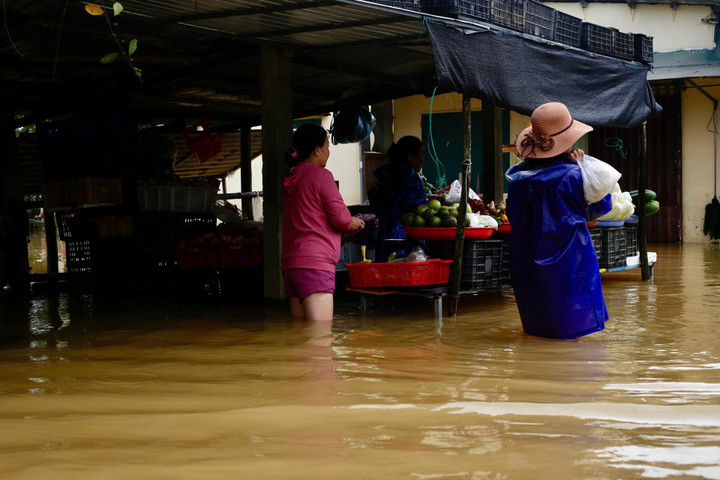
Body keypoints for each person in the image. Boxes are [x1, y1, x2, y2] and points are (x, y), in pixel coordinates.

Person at [505, 102, 614, 339]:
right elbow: (602, 206)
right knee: (572, 332)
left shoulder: (517, 181)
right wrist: (583, 168)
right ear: (567, 142)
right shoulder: (574, 175)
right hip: (569, 263)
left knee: (538, 329)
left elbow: (511, 214)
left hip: (526, 262)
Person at [282, 124, 365, 321]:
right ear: (317, 150)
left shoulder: (290, 178)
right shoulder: (321, 176)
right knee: (320, 334)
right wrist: (352, 221)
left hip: (292, 264)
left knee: (300, 332)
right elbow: (341, 219)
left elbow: (311, 217)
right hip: (315, 264)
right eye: (327, 146)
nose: (329, 152)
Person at [368, 136, 428, 262]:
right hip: (403, 237)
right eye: (420, 155)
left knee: (385, 268)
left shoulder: (384, 173)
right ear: (410, 156)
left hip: (385, 234)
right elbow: (416, 209)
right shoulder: (410, 177)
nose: (423, 160)